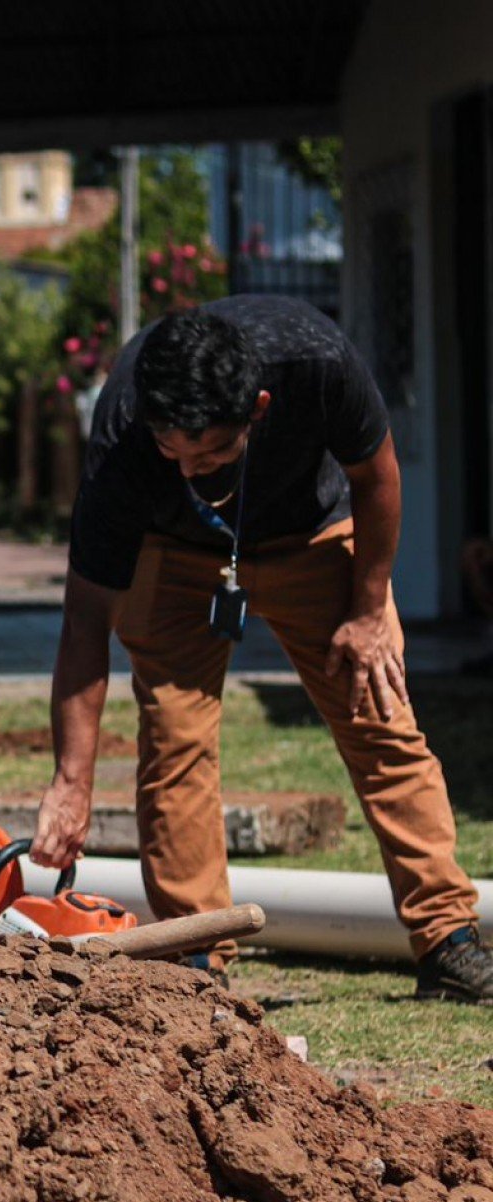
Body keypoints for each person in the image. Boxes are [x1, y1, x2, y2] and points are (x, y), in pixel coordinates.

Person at [32, 298, 490, 1000]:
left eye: (212, 451)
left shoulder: (316, 362)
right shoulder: (125, 427)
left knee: (380, 714)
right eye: (173, 452)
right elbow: (88, 613)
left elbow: (379, 474)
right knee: (174, 737)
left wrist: (369, 608)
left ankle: (449, 939)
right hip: (174, 553)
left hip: (313, 534)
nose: (191, 470)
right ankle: (196, 957)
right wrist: (71, 780)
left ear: (260, 409)